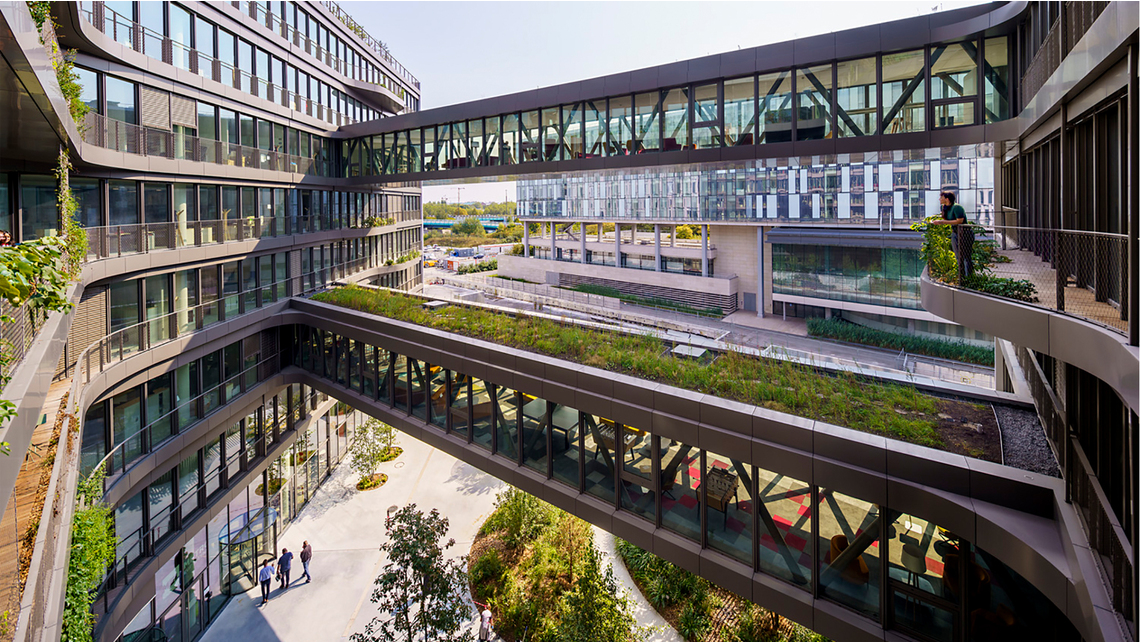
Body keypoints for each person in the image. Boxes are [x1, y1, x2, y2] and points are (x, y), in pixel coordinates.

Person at [930, 190, 974, 280]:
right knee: (958, 256)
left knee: (966, 257)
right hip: (955, 233)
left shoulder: (957, 207)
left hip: (965, 234)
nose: (939, 199)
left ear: (947, 199)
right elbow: (947, 219)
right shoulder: (945, 208)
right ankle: (961, 278)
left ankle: (969, 277)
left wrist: (941, 222)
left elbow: (959, 221)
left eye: (941, 198)